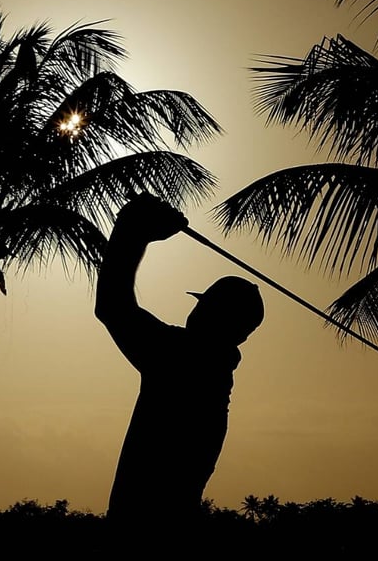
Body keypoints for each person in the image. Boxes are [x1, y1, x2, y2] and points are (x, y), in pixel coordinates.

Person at [94, 192, 264, 533]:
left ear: (212, 315)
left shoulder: (185, 360)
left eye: (203, 306)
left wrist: (132, 232)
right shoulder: (210, 370)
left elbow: (112, 306)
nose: (194, 310)